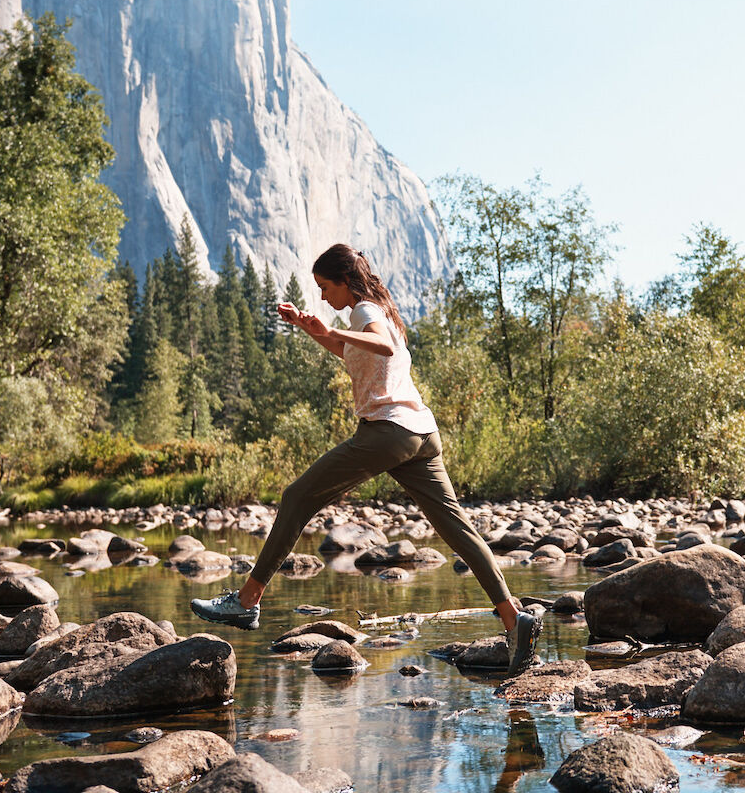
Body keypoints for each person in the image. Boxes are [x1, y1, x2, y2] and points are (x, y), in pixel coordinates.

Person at [190, 243, 542, 674]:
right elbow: (357, 356)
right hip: (423, 433)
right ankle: (515, 621)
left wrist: (334, 329)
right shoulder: (381, 311)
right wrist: (311, 328)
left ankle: (246, 602)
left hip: (389, 432)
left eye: (324, 287)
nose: (322, 297)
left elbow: (380, 346)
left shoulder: (365, 313)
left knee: (298, 496)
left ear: (344, 282)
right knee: (458, 530)